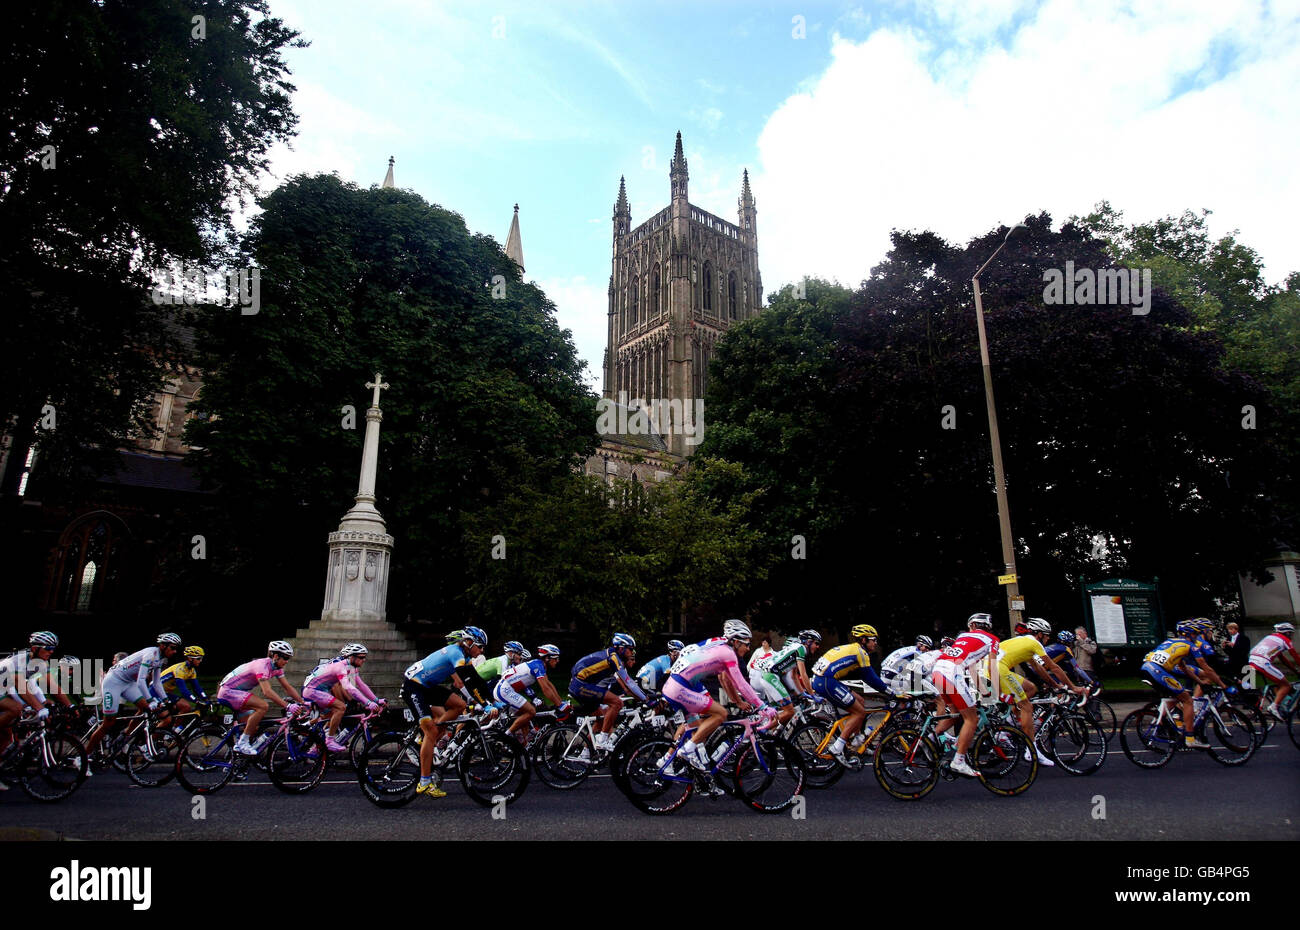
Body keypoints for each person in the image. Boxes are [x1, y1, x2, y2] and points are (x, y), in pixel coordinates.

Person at [661, 619, 773, 771]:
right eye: (746, 644)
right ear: (736, 642)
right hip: (681, 688)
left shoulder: (720, 645)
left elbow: (725, 678)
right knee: (721, 713)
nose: (748, 648)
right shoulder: (728, 653)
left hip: (673, 685)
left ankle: (667, 761)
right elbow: (741, 683)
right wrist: (762, 706)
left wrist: (738, 701)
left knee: (696, 728)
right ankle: (686, 751)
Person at [401, 626, 488, 798]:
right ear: (469, 643)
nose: (483, 650)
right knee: (431, 731)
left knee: (458, 705)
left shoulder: (464, 655)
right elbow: (467, 681)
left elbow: (476, 680)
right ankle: (424, 782)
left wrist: (493, 701)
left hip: (426, 686)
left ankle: (430, 736)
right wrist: (484, 705)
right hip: (413, 686)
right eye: (480, 646)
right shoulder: (455, 652)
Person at [998, 618, 1088, 766]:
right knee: (1027, 706)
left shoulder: (1023, 642)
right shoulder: (1034, 643)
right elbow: (1054, 667)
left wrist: (1055, 685)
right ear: (1039, 634)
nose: (1047, 639)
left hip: (988, 669)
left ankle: (1007, 724)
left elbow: (1039, 668)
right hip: (998, 670)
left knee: (1031, 688)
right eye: (1046, 636)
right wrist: (1073, 687)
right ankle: (1031, 750)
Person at [85, 633, 182, 759]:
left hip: (128, 683)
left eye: (176, 649)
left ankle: (125, 735)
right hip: (113, 682)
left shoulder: (161, 659)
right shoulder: (150, 654)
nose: (174, 651)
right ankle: (83, 757)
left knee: (146, 709)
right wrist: (151, 700)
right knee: (108, 723)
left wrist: (166, 700)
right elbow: (141, 681)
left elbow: (157, 682)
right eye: (172, 648)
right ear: (163, 646)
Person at [809, 624, 890, 763]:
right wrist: (890, 692)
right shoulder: (861, 652)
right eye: (873, 640)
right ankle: (837, 747)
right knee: (859, 712)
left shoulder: (852, 648)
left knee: (860, 701)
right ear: (863, 640)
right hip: (827, 681)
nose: (875, 643)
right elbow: (870, 678)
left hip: (823, 679)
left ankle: (857, 739)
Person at [931, 613, 1000, 777]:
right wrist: (996, 693)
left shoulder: (963, 636)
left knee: (956, 714)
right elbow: (992, 668)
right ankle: (958, 761)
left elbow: (972, 668)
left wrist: (984, 692)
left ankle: (928, 740)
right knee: (972, 718)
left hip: (939, 670)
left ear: (973, 626)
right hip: (952, 673)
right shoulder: (992, 639)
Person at [217, 640, 307, 756]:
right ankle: (242, 744)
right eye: (285, 658)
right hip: (228, 692)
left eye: (288, 658)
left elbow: (287, 687)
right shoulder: (262, 666)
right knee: (263, 706)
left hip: (236, 692)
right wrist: (288, 706)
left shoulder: (276, 668)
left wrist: (302, 702)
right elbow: (267, 692)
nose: (286, 661)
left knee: (252, 728)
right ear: (275, 656)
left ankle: (237, 759)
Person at [568, 633, 651, 753]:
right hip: (580, 686)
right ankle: (602, 740)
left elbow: (628, 688)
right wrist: (647, 699)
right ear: (621, 648)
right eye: (631, 649)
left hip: (580, 684)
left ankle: (585, 754)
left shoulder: (612, 656)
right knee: (617, 703)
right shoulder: (614, 658)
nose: (632, 653)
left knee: (601, 719)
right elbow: (629, 684)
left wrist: (642, 697)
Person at [1138, 621, 1211, 749]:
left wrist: (1200, 682)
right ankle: (1189, 737)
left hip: (1149, 668)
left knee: (1175, 697)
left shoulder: (1170, 641)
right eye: (1195, 634)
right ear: (1189, 634)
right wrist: (1222, 684)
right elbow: (1205, 665)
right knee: (1187, 700)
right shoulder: (1191, 644)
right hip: (1161, 671)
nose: (1197, 636)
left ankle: (1166, 723)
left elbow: (1184, 667)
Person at [302, 643, 384, 752]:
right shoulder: (340, 666)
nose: (364, 660)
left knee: (331, 714)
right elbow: (348, 687)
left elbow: (362, 685)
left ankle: (315, 744)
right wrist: (368, 703)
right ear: (351, 657)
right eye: (361, 657)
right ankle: (329, 741)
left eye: (365, 657)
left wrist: (376, 700)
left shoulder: (351, 667)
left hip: (319, 690)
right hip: (312, 691)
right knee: (341, 707)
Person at [0, 632, 61, 766]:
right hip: (4, 689)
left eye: (53, 649)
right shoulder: (19, 661)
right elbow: (19, 687)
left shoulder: (38, 662)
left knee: (6, 739)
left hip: (5, 691)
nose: (51, 652)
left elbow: (32, 685)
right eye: (48, 648)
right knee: (16, 708)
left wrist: (43, 702)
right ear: (35, 648)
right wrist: (37, 707)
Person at [495, 644, 568, 741]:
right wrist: (559, 705)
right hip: (504, 690)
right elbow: (545, 689)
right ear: (547, 658)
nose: (557, 661)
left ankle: (525, 745)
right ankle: (505, 737)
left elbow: (549, 685)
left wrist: (560, 702)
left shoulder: (540, 665)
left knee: (526, 713)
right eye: (555, 658)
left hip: (507, 689)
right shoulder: (537, 666)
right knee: (531, 711)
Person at [750, 630, 822, 725]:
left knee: (779, 714)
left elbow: (794, 676)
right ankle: (760, 731)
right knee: (790, 711)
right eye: (816, 643)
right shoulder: (801, 649)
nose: (818, 646)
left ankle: (769, 737)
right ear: (808, 642)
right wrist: (812, 694)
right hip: (770, 677)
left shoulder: (795, 648)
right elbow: (803, 674)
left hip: (766, 677)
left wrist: (802, 694)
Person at [1247, 622, 1300, 721]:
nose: (1292, 636)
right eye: (1291, 633)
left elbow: (1283, 659)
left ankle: (1278, 702)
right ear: (1287, 633)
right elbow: (1295, 656)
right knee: (1286, 685)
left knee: (1279, 681)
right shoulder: (1285, 640)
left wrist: (1295, 670)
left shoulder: (1271, 637)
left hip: (1252, 660)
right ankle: (1274, 707)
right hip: (1263, 662)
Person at [161, 645, 208, 715]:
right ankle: (175, 726)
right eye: (198, 658)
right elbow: (183, 690)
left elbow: (197, 688)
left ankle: (175, 726)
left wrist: (205, 698)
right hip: (157, 692)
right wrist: (196, 700)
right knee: (186, 707)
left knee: (181, 708)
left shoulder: (192, 670)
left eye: (201, 658)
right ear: (190, 658)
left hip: (166, 693)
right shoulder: (180, 669)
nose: (200, 661)